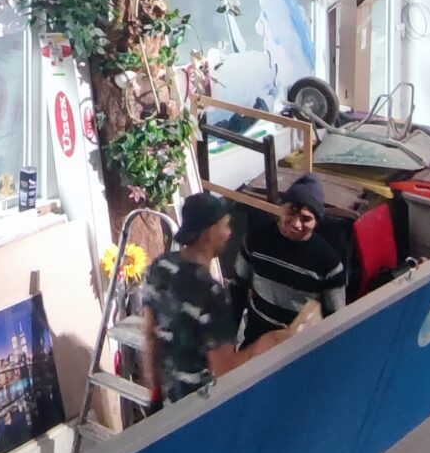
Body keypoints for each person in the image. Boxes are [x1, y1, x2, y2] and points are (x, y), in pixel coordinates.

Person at [142, 192, 288, 406]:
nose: (229, 232)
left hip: (167, 404)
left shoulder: (160, 267)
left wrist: (155, 394)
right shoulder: (211, 293)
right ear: (210, 232)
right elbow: (226, 370)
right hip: (197, 408)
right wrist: (266, 344)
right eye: (225, 225)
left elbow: (150, 336)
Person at [233, 174, 347, 347]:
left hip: (298, 349)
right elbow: (237, 291)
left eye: (306, 218)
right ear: (281, 208)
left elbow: (336, 319)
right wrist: (226, 342)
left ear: (317, 222)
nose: (296, 224)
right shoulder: (255, 241)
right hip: (256, 342)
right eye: (291, 212)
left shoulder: (328, 263)